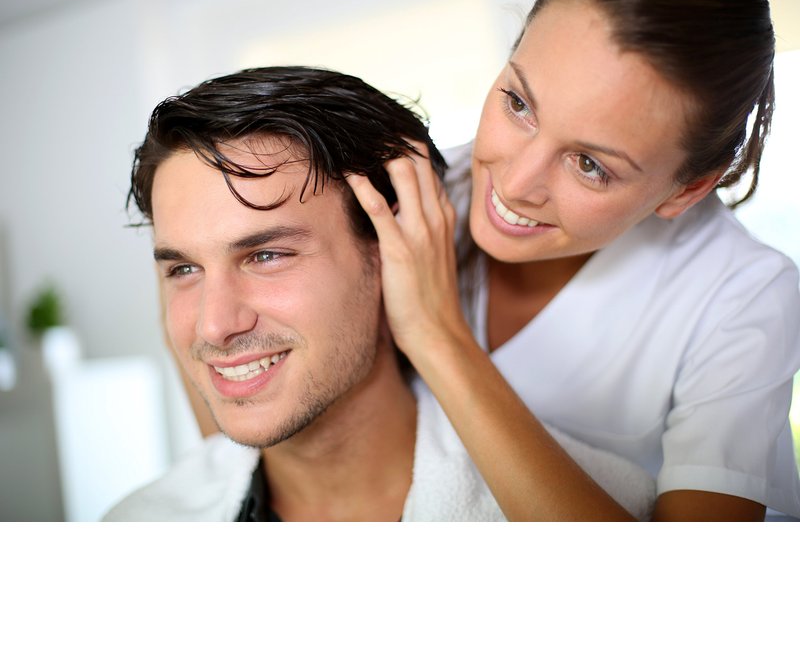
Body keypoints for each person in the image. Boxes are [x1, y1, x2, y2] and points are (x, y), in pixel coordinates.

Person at [103, 65, 656, 522]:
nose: (213, 325)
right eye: (184, 268)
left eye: (266, 256)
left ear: (397, 254)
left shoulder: (607, 508)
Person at [348, 0, 800, 522]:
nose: (515, 184)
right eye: (519, 104)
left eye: (589, 164)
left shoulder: (742, 295)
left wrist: (436, 337)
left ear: (688, 189)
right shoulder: (413, 192)